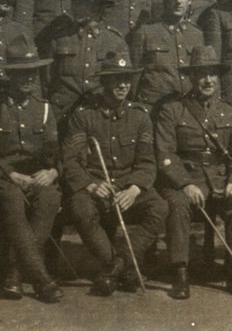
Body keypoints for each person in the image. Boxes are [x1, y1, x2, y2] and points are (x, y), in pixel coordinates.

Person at [154, 45, 232, 300]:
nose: (208, 80)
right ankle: (180, 272)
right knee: (178, 205)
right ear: (191, 77)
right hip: (185, 180)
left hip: (220, 180)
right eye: (202, 74)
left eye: (212, 74)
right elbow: (165, 153)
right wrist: (185, 184)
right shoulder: (173, 110)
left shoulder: (229, 111)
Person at [60, 53, 167, 296]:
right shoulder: (84, 115)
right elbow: (70, 160)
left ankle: (116, 267)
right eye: (116, 79)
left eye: (127, 79)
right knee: (80, 209)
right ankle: (123, 268)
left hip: (128, 186)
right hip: (96, 186)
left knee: (159, 207)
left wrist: (134, 189)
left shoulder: (140, 116)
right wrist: (91, 185)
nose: (123, 85)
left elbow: (147, 163)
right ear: (104, 82)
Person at [0, 35, 63, 303]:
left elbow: (55, 153)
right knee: (12, 196)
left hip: (34, 178)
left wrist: (52, 172)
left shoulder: (43, 109)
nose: (28, 78)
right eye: (22, 72)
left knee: (50, 197)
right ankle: (41, 279)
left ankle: (14, 270)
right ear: (9, 75)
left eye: (32, 72)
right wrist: (10, 175)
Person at [45, 0, 128, 120]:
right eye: (74, 3)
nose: (74, 8)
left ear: (97, 6)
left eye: (82, 3)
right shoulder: (60, 38)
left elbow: (124, 82)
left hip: (98, 116)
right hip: (62, 114)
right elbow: (46, 80)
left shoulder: (115, 41)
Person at [128, 0, 205, 109]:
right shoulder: (146, 32)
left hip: (187, 109)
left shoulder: (196, 34)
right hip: (154, 107)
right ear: (164, 0)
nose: (178, 1)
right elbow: (134, 76)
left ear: (190, 0)